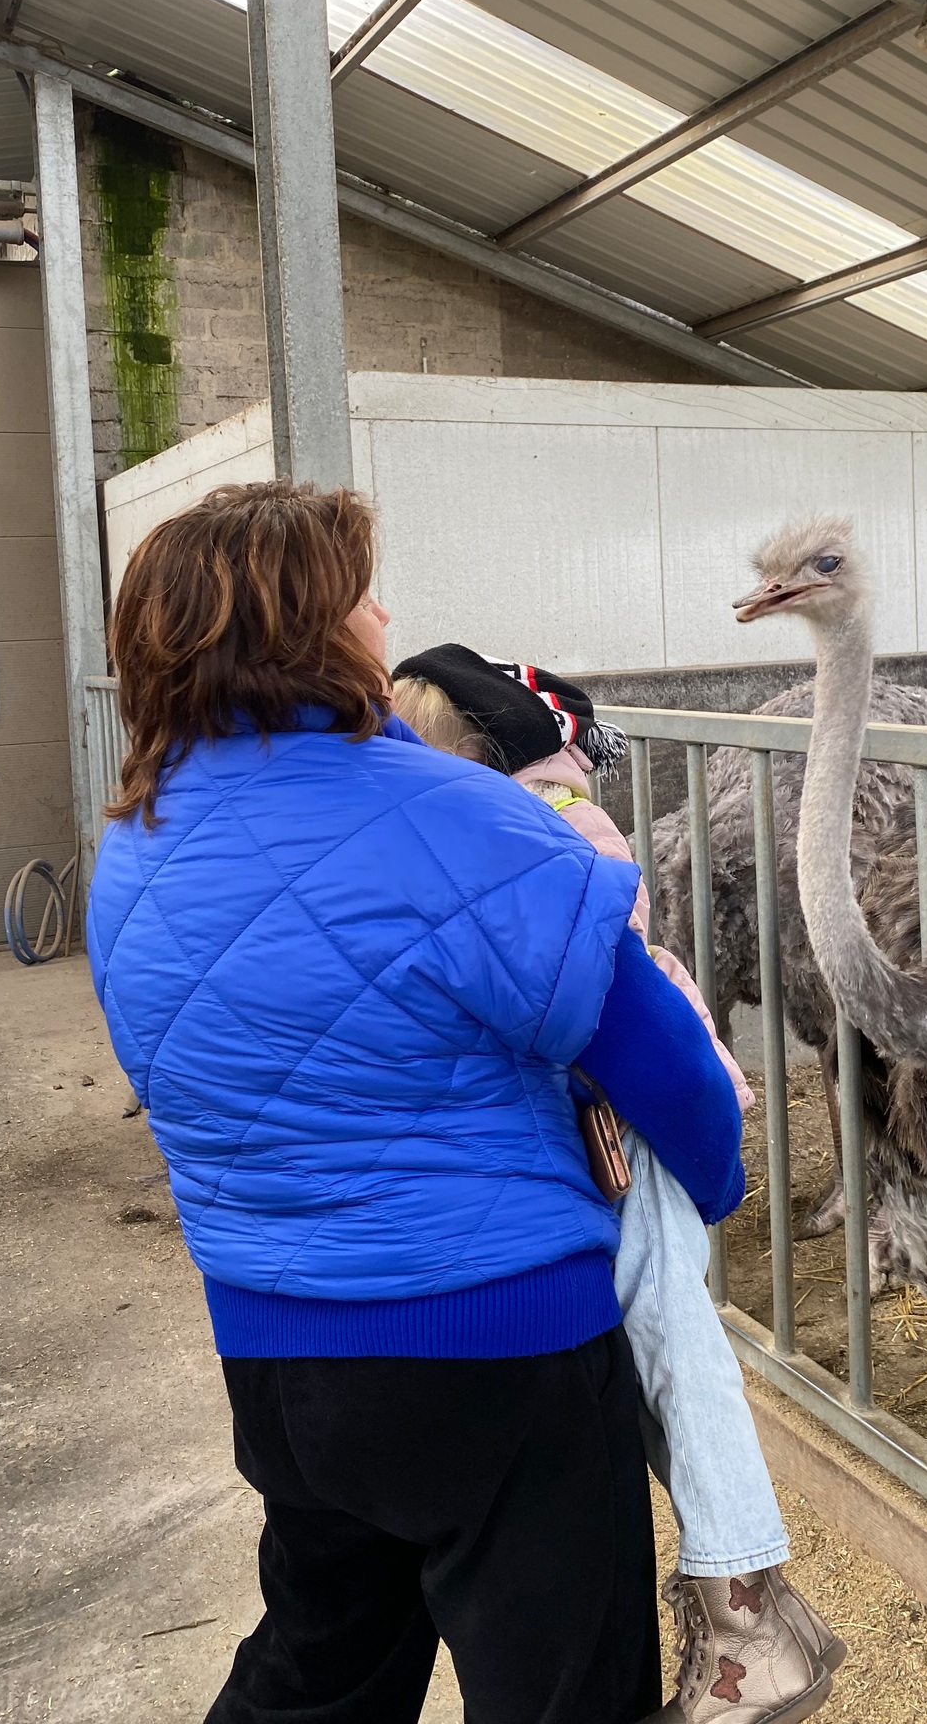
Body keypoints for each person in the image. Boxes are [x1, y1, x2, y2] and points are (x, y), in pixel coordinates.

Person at [87, 480, 747, 1724]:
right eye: (360, 596)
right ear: (307, 631)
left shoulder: (137, 840)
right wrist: (713, 1184)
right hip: (496, 1347)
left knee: (322, 1663)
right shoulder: (467, 817)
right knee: (564, 1687)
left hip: (275, 1350)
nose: (385, 617)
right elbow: (657, 1056)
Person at [392, 647, 845, 1724]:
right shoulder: (531, 824)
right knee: (658, 1344)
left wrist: (709, 1164)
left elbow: (607, 1001)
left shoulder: (532, 836)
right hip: (604, 1125)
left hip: (619, 1128)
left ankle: (747, 1611)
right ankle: (753, 1614)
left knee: (673, 1336)